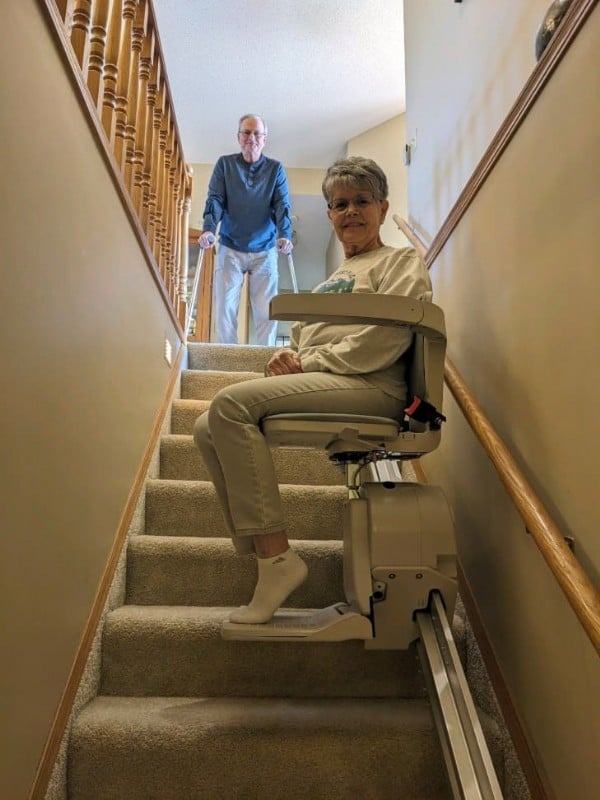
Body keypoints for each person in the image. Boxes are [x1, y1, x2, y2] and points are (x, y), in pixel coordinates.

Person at [194, 156, 432, 624]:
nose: (351, 212)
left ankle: (276, 561)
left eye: (362, 201)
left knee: (226, 406)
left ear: (383, 208)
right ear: (329, 215)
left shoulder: (399, 261)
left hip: (373, 386)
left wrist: (307, 360)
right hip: (329, 380)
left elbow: (386, 338)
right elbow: (299, 347)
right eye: (340, 204)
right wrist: (284, 359)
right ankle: (265, 553)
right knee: (206, 427)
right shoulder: (327, 284)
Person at [198, 114, 293, 346]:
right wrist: (209, 228)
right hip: (230, 246)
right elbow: (216, 199)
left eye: (257, 133)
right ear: (238, 137)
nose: (252, 138)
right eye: (247, 133)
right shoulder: (225, 164)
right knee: (225, 307)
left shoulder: (275, 169)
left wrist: (285, 235)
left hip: (265, 249)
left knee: (267, 310)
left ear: (264, 139)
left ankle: (265, 358)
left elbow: (282, 204)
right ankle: (227, 355)